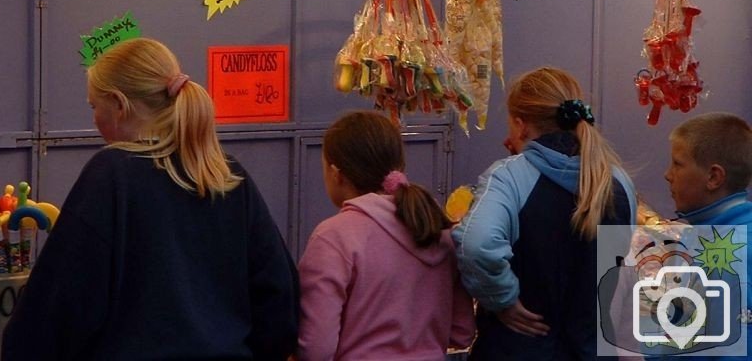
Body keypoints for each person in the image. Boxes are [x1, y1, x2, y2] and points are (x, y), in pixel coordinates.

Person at [2, 38, 299, 360]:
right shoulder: (226, 175)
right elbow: (278, 293)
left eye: (94, 106)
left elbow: (58, 306)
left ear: (118, 104)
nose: (93, 119)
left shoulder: (112, 175)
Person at [453, 66, 637, 360]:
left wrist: (503, 299)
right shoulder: (617, 181)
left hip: (519, 347)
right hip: (591, 349)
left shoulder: (510, 177)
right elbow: (613, 269)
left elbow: (476, 244)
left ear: (521, 125)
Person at [297, 110, 475, 360]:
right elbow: (461, 332)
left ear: (337, 173)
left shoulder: (333, 238)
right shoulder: (438, 229)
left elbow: (316, 349)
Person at [663, 112, 752, 360]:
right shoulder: (704, 238)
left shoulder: (732, 253)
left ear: (713, 177)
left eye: (677, 164)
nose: (668, 175)